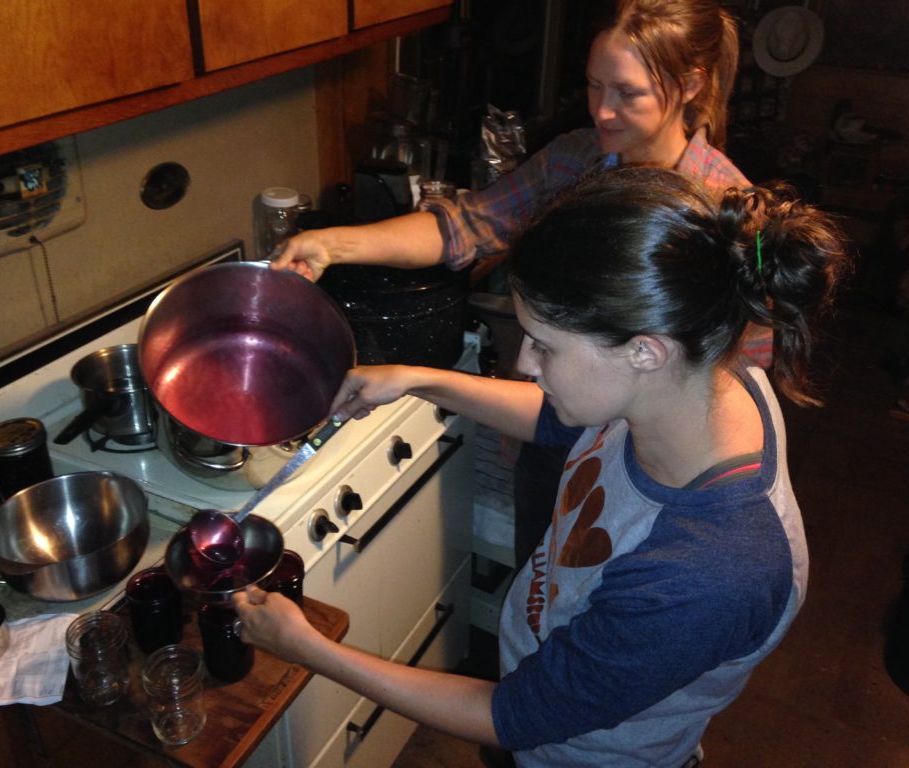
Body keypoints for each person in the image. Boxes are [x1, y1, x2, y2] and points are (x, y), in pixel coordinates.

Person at [233, 167, 850, 767]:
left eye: (545, 345)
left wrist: (309, 648)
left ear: (644, 351)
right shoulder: (701, 378)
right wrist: (417, 381)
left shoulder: (712, 571)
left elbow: (512, 716)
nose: (526, 363)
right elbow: (565, 420)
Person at [272, 0, 763, 566]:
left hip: (646, 472)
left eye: (627, 94)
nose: (602, 111)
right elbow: (468, 224)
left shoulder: (722, 211)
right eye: (593, 86)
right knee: (541, 588)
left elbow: (737, 379)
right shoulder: (577, 161)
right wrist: (332, 244)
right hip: (551, 447)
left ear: (691, 84)